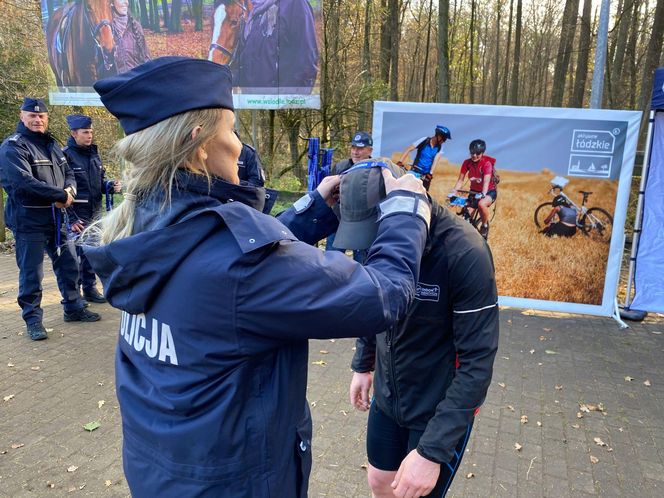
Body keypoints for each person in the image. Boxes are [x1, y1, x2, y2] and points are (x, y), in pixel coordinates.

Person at [83, 56, 432, 497]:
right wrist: (407, 210)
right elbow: (385, 296)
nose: (239, 144)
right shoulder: (238, 268)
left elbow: (229, 261)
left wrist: (311, 209)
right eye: (230, 130)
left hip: (163, 471)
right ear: (200, 145)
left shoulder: (143, 228)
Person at [342, 159, 499, 498]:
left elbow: (478, 362)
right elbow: (373, 303)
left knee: (412, 493)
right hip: (388, 397)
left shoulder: (465, 253)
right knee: (380, 483)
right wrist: (363, 363)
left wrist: (433, 451)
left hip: (436, 409)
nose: (371, 245)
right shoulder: (377, 238)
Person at [0, 99, 101, 341]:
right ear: (22, 117)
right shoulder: (13, 147)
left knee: (69, 264)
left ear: (46, 119)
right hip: (29, 220)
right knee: (32, 274)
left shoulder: (53, 146)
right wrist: (59, 195)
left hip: (57, 219)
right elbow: (23, 182)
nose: (37, 120)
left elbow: (69, 174)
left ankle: (74, 308)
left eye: (42, 117)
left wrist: (69, 192)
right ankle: (33, 320)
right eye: (32, 116)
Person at [63, 114, 122, 303]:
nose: (89, 136)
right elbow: (62, 189)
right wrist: (71, 218)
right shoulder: (65, 156)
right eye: (85, 132)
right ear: (74, 133)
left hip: (94, 212)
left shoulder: (94, 155)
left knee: (90, 254)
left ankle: (90, 289)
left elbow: (98, 184)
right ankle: (75, 296)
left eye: (91, 132)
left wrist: (110, 185)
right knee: (74, 258)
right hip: (76, 215)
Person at [231, 0, 318, 93]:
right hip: (252, 101)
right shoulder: (251, 11)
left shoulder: (295, 4)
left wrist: (289, 102)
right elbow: (246, 62)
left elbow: (306, 62)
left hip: (280, 102)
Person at [326, 131, 374, 262]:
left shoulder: (377, 170)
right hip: (339, 222)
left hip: (364, 225)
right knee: (332, 263)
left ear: (370, 151)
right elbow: (328, 194)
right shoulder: (340, 167)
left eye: (360, 148)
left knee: (362, 267)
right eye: (353, 147)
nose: (355, 152)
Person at [450, 139, 497, 239]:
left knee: (481, 204)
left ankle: (484, 226)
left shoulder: (486, 164)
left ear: (482, 153)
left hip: (488, 191)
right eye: (472, 153)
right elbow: (460, 180)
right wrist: (454, 192)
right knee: (466, 215)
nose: (474, 155)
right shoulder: (467, 163)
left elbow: (486, 181)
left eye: (478, 153)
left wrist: (483, 193)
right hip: (474, 191)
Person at [397, 125, 451, 191]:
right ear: (438, 135)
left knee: (425, 198)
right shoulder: (424, 140)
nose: (444, 141)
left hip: (425, 176)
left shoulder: (440, 147)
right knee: (402, 189)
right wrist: (400, 161)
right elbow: (409, 149)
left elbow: (435, 160)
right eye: (444, 138)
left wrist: (430, 173)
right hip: (414, 172)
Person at [111, 0, 151, 74]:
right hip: (115, 83)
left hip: (135, 81)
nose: (126, 2)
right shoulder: (106, 29)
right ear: (112, 3)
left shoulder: (136, 26)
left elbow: (146, 59)